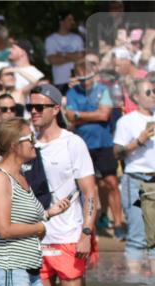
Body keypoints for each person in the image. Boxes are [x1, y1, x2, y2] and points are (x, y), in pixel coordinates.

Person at [0, 119, 71, 286]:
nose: (35, 143)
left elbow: (23, 218)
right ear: (14, 145)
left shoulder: (21, 177)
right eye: (29, 138)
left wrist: (48, 214)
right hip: (10, 268)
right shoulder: (0, 178)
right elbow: (3, 229)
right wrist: (40, 227)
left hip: (30, 267)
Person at [29, 83, 98, 286]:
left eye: (39, 106)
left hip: (68, 236)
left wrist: (86, 233)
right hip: (37, 235)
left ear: (56, 108)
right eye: (30, 107)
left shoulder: (73, 143)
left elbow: (90, 192)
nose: (33, 111)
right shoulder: (28, 144)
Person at [66, 59, 123, 240]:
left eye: (88, 78)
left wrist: (79, 116)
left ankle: (119, 223)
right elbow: (69, 117)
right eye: (81, 79)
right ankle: (88, 227)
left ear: (95, 75)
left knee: (111, 183)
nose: (85, 82)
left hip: (104, 143)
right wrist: (92, 115)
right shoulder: (72, 92)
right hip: (82, 145)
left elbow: (105, 114)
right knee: (86, 187)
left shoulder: (103, 90)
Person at [113, 77, 155, 274]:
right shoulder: (126, 121)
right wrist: (139, 141)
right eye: (148, 92)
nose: (153, 95)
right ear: (137, 97)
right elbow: (117, 153)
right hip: (136, 180)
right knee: (138, 236)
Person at [45, 12, 85, 93]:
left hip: (77, 80)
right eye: (69, 20)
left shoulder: (77, 38)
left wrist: (63, 54)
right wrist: (74, 57)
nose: (72, 22)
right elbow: (53, 60)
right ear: (61, 22)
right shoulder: (51, 40)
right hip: (60, 82)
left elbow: (81, 58)